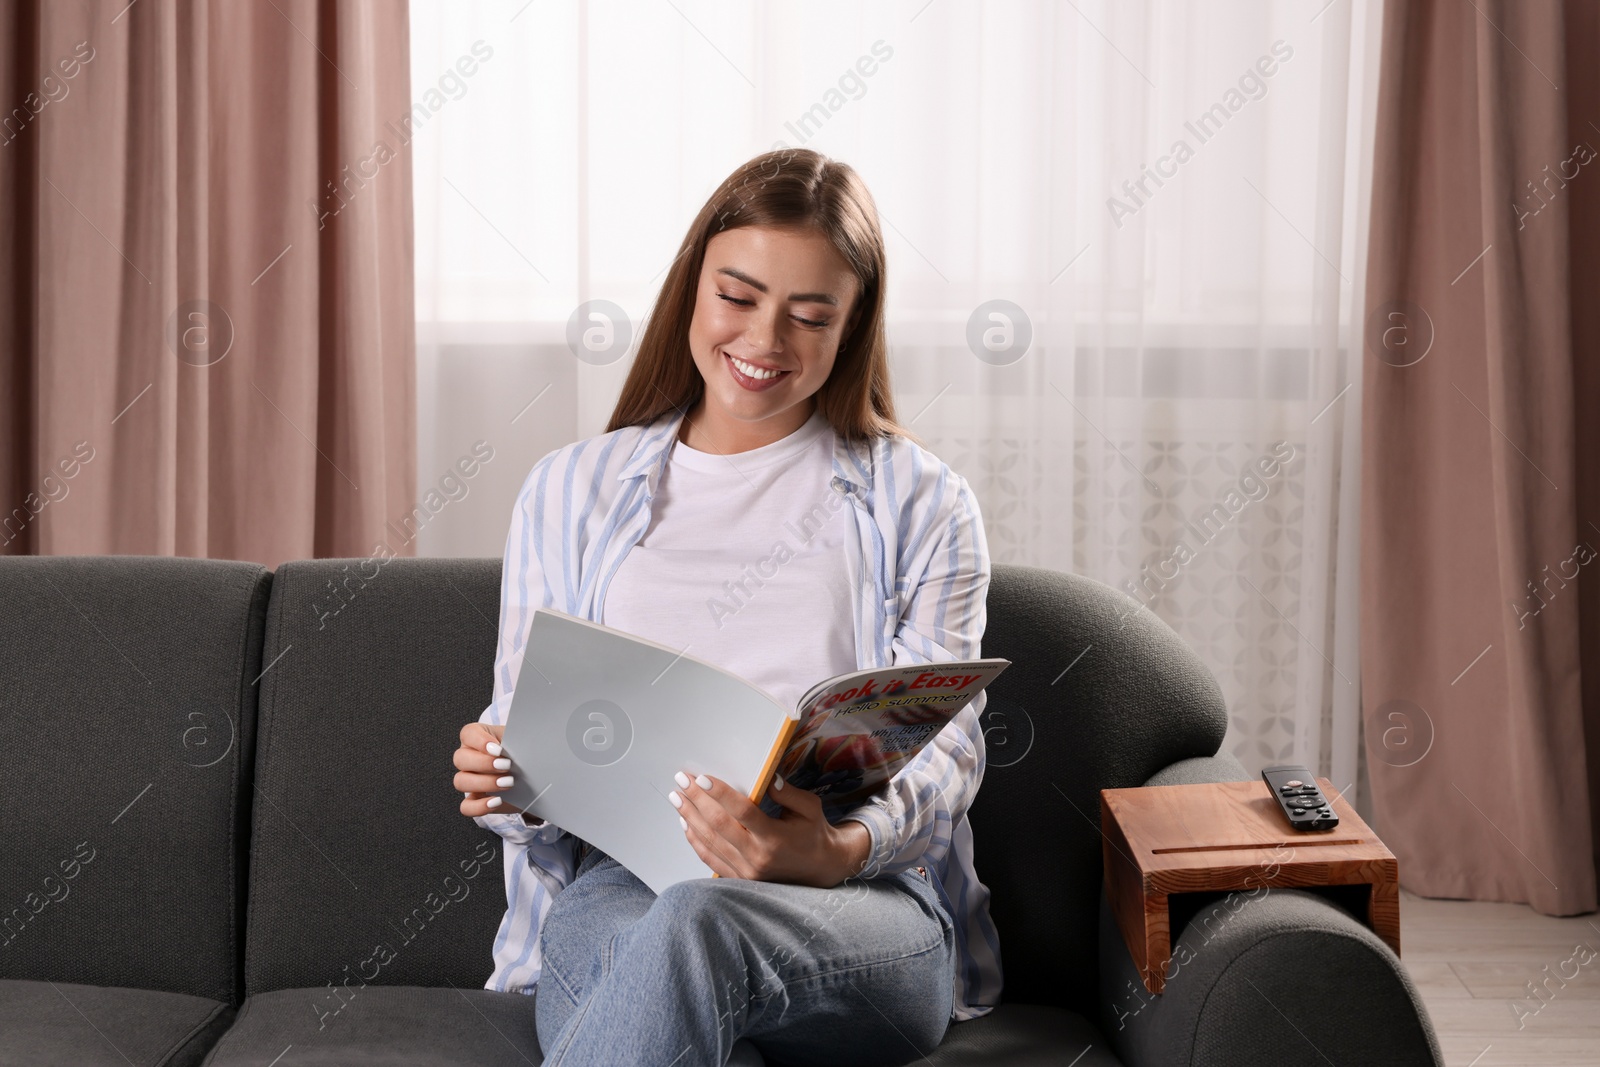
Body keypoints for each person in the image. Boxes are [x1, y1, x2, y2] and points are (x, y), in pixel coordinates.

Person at [450, 147, 1001, 1067]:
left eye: (810, 315)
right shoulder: (568, 491)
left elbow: (945, 747)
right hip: (621, 887)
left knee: (695, 927)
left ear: (852, 327)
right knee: (672, 945)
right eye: (737, 298)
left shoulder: (926, 502)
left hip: (857, 906)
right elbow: (523, 733)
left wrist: (834, 849)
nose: (764, 341)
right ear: (691, 291)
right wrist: (506, 775)